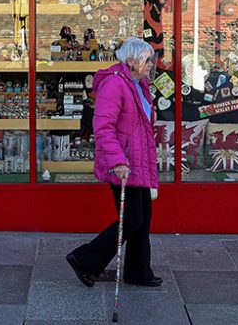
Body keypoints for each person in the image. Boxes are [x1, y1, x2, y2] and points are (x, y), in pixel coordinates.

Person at [67, 37, 162, 288]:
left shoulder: (138, 83)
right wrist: (118, 161)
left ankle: (138, 271)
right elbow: (103, 127)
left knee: (143, 216)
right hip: (124, 163)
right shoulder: (114, 84)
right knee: (131, 220)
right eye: (146, 59)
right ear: (130, 61)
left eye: (151, 59)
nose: (151, 64)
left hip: (138, 161)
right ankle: (85, 259)